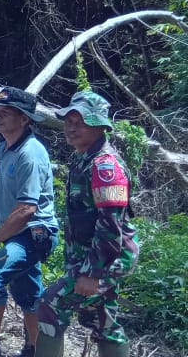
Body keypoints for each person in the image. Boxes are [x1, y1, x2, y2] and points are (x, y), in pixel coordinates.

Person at [36, 91, 139, 357]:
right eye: (69, 121)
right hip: (91, 255)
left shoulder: (105, 167)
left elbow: (110, 225)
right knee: (103, 321)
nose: (71, 127)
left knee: (50, 305)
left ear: (100, 125)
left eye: (79, 121)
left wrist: (92, 274)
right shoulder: (83, 159)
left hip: (105, 259)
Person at [0, 87, 59, 357]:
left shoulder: (29, 153)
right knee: (28, 295)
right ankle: (35, 348)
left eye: (6, 113)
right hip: (17, 232)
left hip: (32, 232)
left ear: (24, 119)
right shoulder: (7, 147)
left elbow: (27, 209)